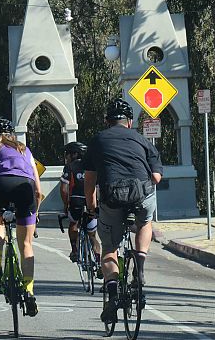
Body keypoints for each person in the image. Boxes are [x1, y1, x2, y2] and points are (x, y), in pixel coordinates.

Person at [83, 98, 163, 324]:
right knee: (145, 224)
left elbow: (90, 180)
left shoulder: (97, 140)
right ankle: (140, 264)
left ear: (107, 121)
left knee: (109, 248)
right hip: (140, 195)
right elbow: (156, 177)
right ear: (129, 122)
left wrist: (92, 207)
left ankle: (112, 294)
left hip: (111, 197)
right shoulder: (142, 140)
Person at [0, 118, 43, 317]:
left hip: (1, 186)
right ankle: (29, 290)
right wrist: (35, 214)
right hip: (25, 189)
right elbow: (38, 191)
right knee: (26, 245)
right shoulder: (25, 150)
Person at [59, 141, 103, 279]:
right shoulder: (92, 165)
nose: (66, 158)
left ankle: (75, 250)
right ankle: (99, 261)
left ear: (74, 154)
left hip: (76, 201)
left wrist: (65, 206)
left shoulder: (70, 167)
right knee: (92, 235)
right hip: (92, 202)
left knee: (73, 223)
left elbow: (64, 189)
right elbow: (98, 187)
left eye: (68, 154)